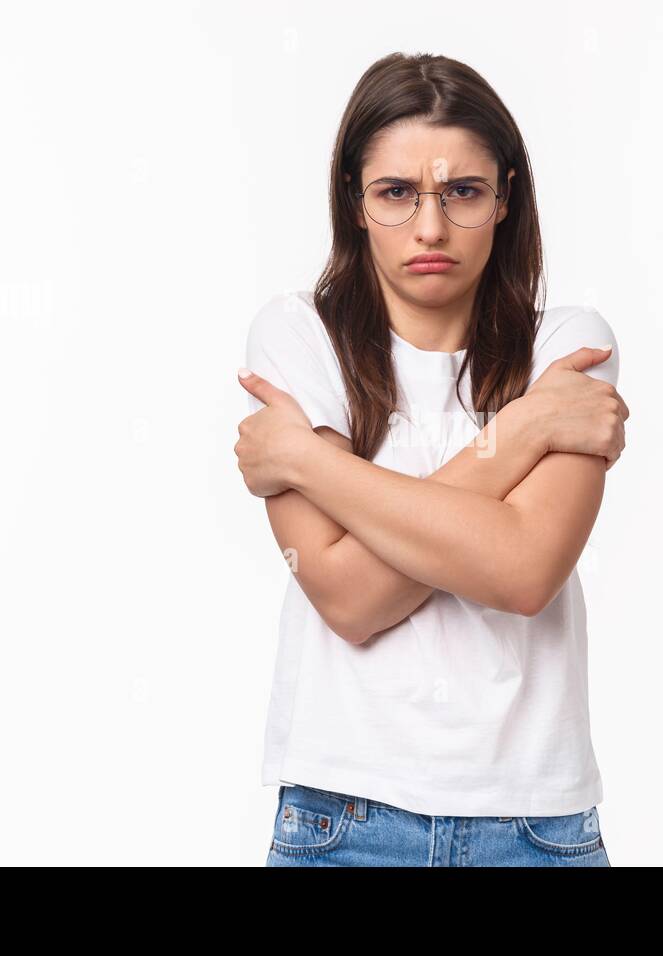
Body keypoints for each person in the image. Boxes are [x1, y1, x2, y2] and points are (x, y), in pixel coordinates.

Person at [233, 52, 628, 867]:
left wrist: (310, 464)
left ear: (506, 196)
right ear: (354, 199)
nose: (430, 228)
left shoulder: (569, 347)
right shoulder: (297, 338)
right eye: (396, 193)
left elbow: (521, 571)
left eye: (463, 192)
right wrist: (519, 436)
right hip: (341, 822)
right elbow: (345, 595)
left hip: (535, 828)